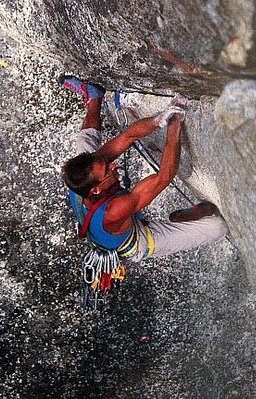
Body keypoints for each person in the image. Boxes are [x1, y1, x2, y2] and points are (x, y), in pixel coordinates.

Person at [60, 76, 228, 263]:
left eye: (106, 163)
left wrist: (158, 119)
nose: (112, 164)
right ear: (96, 189)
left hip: (98, 201)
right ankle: (182, 217)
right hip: (135, 240)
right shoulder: (114, 210)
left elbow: (128, 136)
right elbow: (164, 177)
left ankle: (95, 96)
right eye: (108, 170)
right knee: (218, 227)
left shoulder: (82, 177)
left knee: (85, 146)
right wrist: (175, 123)